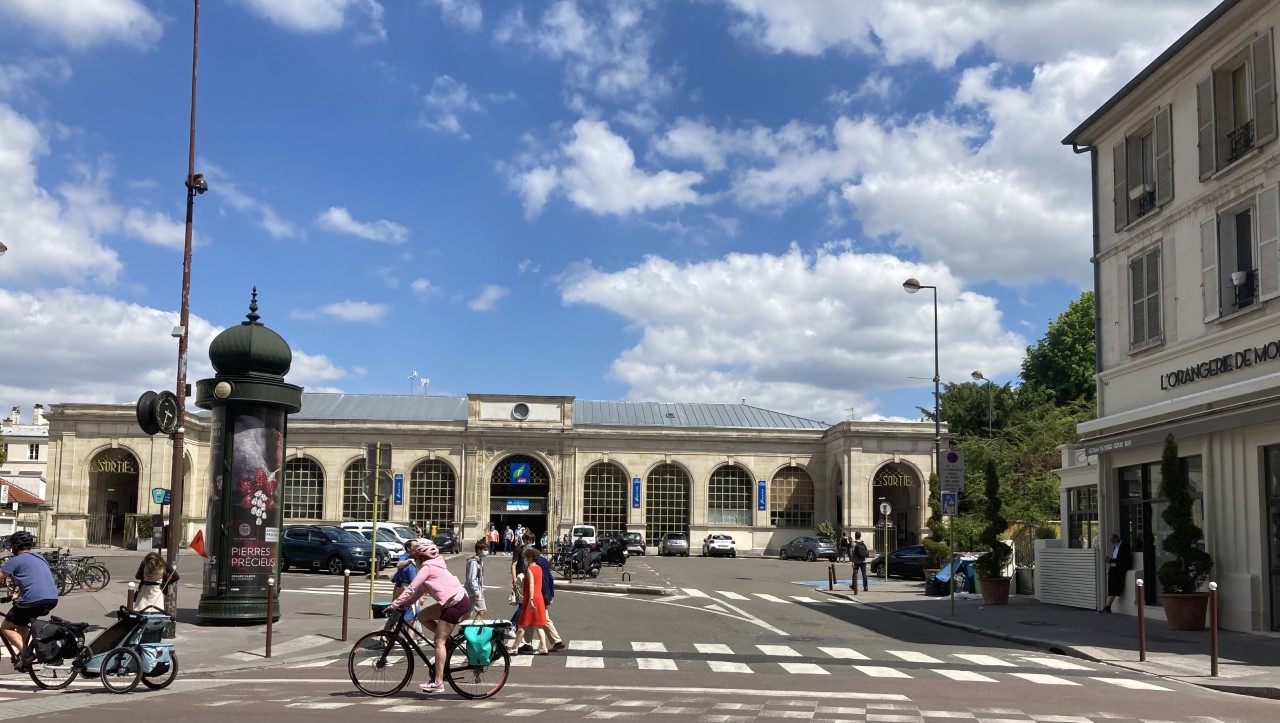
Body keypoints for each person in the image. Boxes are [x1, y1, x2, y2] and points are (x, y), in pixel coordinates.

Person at [388, 540, 472, 694]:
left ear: (422, 558)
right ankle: (447, 642)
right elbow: (418, 592)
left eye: (417, 558)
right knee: (422, 615)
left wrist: (394, 604)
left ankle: (439, 682)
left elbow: (412, 587)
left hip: (456, 603)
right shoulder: (434, 566)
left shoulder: (427, 567)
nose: (415, 561)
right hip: (453, 601)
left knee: (439, 641)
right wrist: (405, 604)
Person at [0, 531, 58, 670]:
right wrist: (17, 594)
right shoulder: (40, 558)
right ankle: (24, 652)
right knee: (21, 622)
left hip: (32, 600)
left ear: (15, 546)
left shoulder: (15, 560)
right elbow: (33, 579)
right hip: (52, 598)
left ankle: (27, 654)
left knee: (6, 628)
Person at [507, 547, 550, 655]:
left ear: (530, 558)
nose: (525, 559)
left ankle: (515, 647)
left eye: (526, 557)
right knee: (538, 624)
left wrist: (530, 599)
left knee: (522, 625)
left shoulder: (530, 569)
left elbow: (531, 585)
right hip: (539, 598)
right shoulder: (539, 568)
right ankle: (544, 647)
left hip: (531, 598)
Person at [1101, 533, 1132, 614]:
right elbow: (1115, 557)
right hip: (1113, 568)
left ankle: (1108, 607)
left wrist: (1111, 560)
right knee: (1111, 587)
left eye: (1112, 540)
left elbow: (1123, 560)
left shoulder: (1124, 545)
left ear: (1116, 538)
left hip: (1119, 569)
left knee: (1114, 587)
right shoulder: (1115, 546)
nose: (1111, 542)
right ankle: (1107, 607)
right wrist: (1110, 561)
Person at [465, 540, 488, 621]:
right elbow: (472, 578)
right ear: (479, 550)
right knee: (471, 612)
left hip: (476, 591)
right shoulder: (474, 562)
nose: (486, 552)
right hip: (472, 591)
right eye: (485, 550)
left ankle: (468, 629)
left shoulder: (479, 561)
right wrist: (476, 591)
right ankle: (468, 630)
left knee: (480, 611)